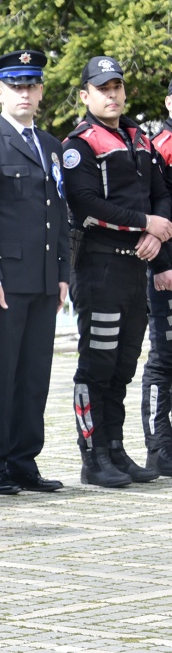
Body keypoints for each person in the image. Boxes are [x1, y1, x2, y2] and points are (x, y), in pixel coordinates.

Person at [62, 56, 172, 486]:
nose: (112, 96)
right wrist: (145, 224)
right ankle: (92, 457)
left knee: (123, 366)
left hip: (135, 270)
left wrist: (157, 234)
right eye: (102, 89)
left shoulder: (139, 139)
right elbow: (85, 202)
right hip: (99, 269)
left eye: (117, 88)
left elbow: (162, 194)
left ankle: (116, 450)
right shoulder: (79, 145)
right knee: (96, 366)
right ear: (86, 95)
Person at [0, 51, 69, 495]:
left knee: (34, 375)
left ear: (41, 91)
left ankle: (25, 460)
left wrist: (62, 271)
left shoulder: (49, 145)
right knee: (1, 373)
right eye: (16, 86)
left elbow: (59, 212)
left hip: (44, 278)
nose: (24, 93)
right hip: (5, 282)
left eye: (32, 86)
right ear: (0, 92)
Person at [146, 77, 172, 478]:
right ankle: (159, 446)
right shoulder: (162, 148)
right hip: (169, 270)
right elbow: (157, 207)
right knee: (165, 359)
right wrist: (163, 264)